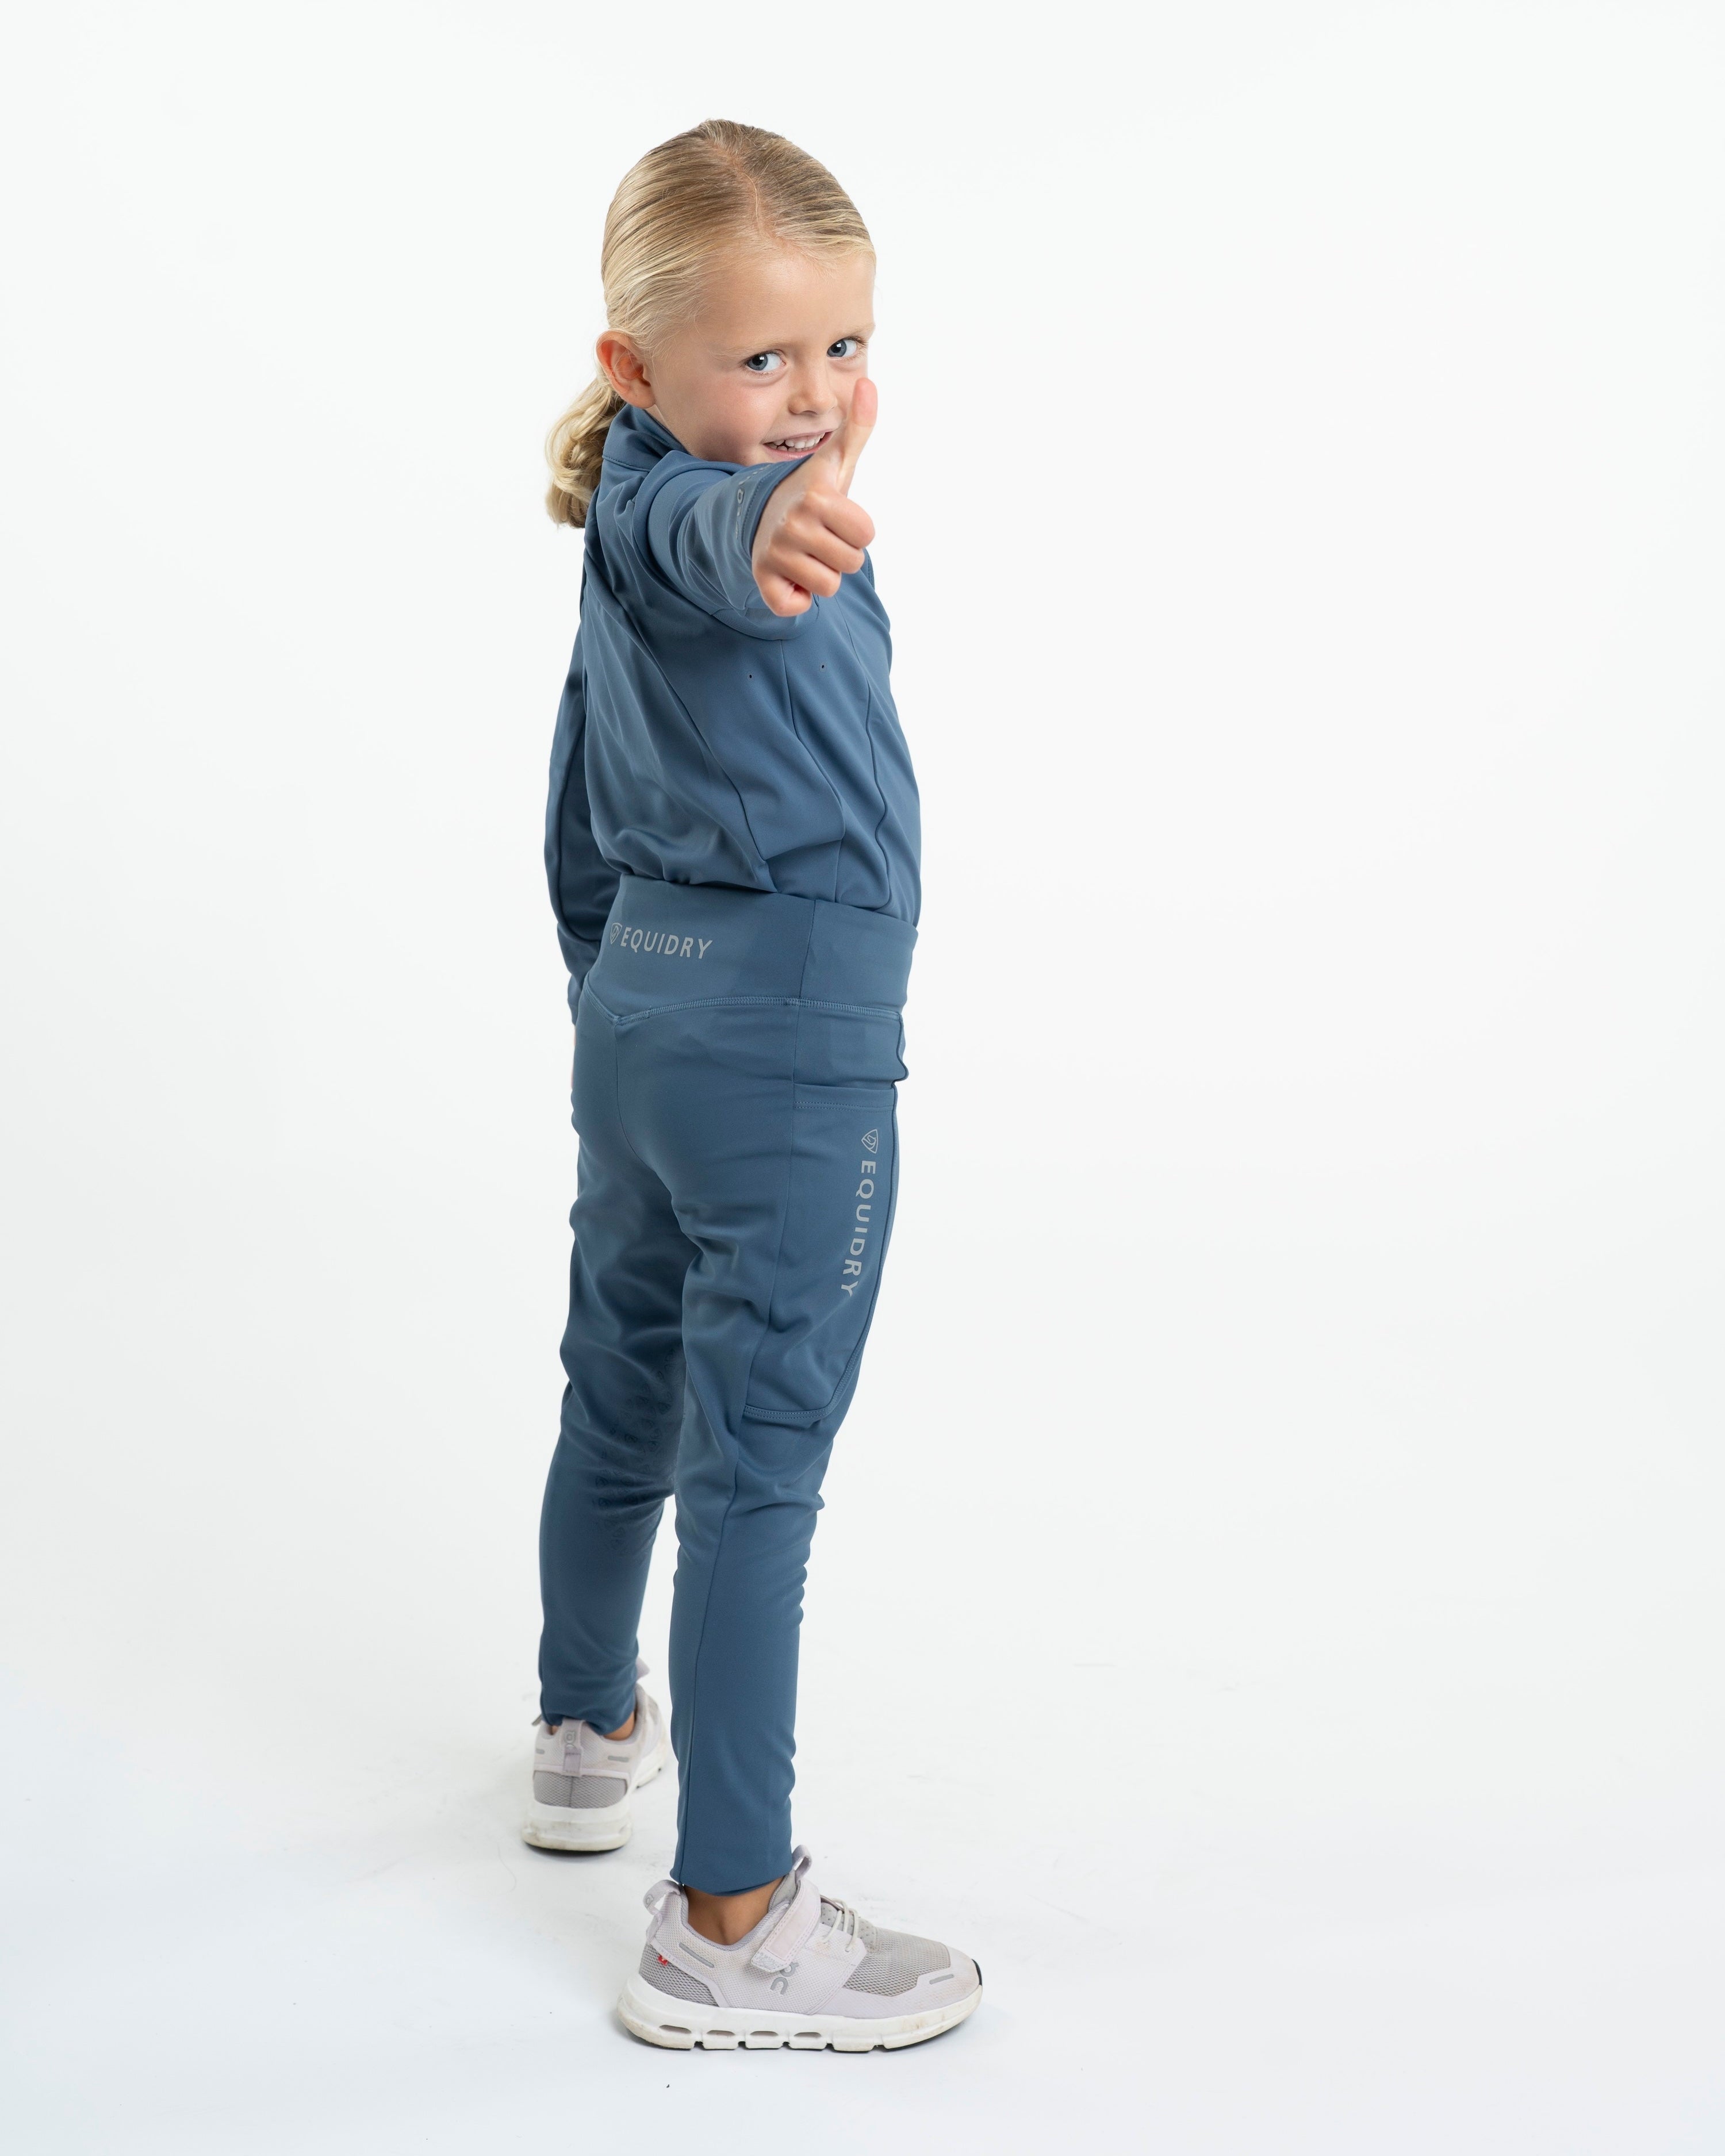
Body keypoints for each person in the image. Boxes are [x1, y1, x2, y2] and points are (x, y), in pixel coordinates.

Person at [525, 121, 982, 2053]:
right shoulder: (703, 522)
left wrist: (617, 985)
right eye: (762, 358)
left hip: (649, 1013)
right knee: (757, 1470)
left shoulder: (629, 496)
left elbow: (573, 785)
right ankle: (727, 1922)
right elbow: (717, 546)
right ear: (633, 366)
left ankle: (584, 1725)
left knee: (621, 1382)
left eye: (843, 348)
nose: (811, 397)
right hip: (784, 1043)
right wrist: (766, 530)